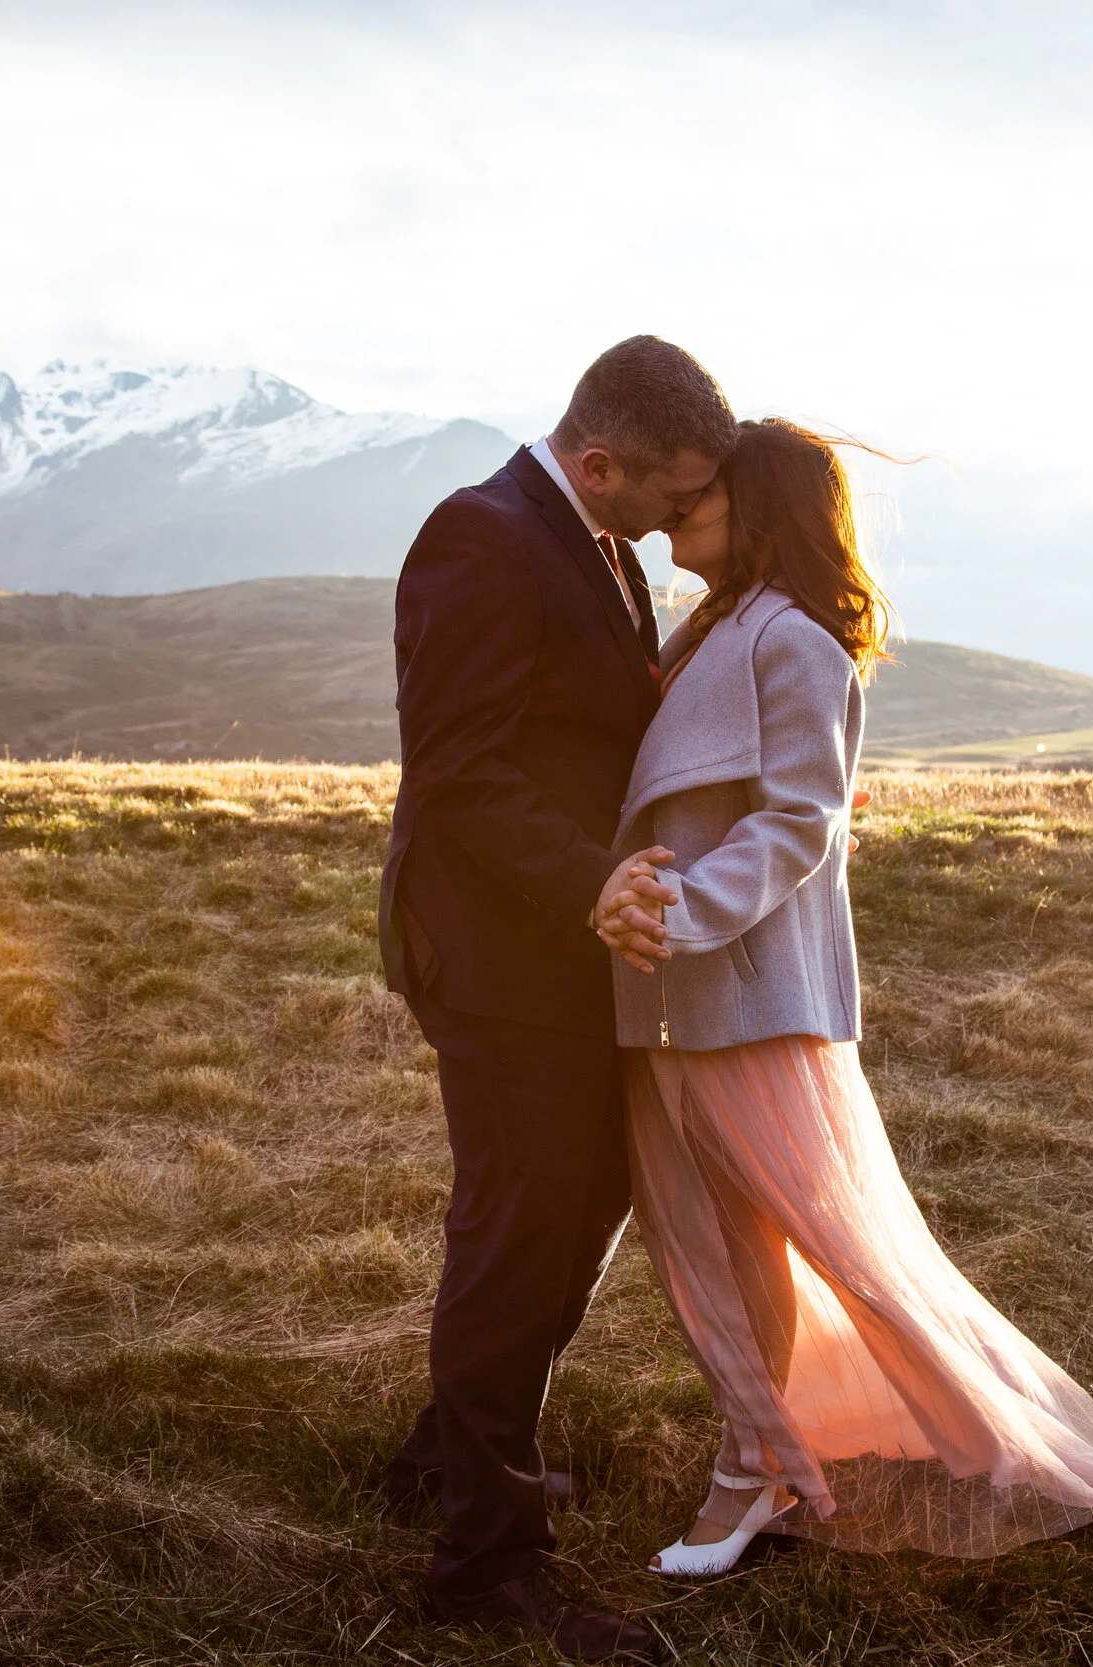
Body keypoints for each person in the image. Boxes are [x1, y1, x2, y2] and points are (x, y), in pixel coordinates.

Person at [591, 419, 1093, 1578]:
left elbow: (802, 818)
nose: (675, 513)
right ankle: (771, 1446)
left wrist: (680, 910)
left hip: (744, 990)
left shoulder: (795, 638)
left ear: (757, 508)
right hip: (675, 986)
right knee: (709, 1236)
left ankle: (796, 1460)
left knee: (809, 1239)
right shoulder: (713, 628)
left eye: (701, 497)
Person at [377, 336, 730, 1663]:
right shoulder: (478, 536)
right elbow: (456, 771)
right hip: (498, 950)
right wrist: (594, 882)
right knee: (519, 1225)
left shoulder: (596, 541)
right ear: (600, 462)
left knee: (582, 1196)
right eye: (670, 492)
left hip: (571, 948)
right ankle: (484, 1558)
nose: (677, 516)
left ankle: (444, 1458)